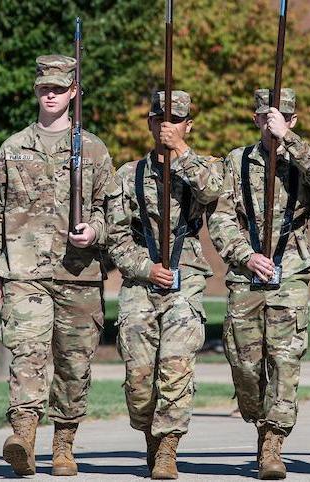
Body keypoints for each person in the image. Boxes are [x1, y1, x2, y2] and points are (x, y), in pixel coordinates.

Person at [0, 54, 112, 477]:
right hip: (24, 270)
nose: (50, 94)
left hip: (79, 273)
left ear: (74, 92)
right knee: (28, 355)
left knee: (74, 363)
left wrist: (95, 232)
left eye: (58, 88)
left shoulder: (92, 149)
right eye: (44, 89)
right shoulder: (14, 148)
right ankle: (24, 438)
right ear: (36, 92)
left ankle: (64, 445)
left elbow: (115, 210)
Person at [208, 87, 310, 479]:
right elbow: (220, 218)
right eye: (263, 116)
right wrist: (245, 255)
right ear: (255, 118)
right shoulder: (237, 160)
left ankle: (273, 442)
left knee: (285, 359)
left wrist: (289, 141)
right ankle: (256, 415)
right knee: (244, 364)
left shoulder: (305, 157)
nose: (269, 122)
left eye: (278, 117)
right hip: (246, 273)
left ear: (292, 120)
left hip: (291, 270)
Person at [106, 90, 222, 479]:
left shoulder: (203, 166)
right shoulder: (127, 175)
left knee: (176, 366)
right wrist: (144, 267)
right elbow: (115, 237)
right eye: (160, 119)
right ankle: (150, 438)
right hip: (141, 280)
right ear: (150, 123)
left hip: (184, 276)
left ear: (188, 124)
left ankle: (168, 448)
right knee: (139, 381)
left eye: (176, 119)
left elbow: (212, 191)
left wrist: (181, 150)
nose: (166, 125)